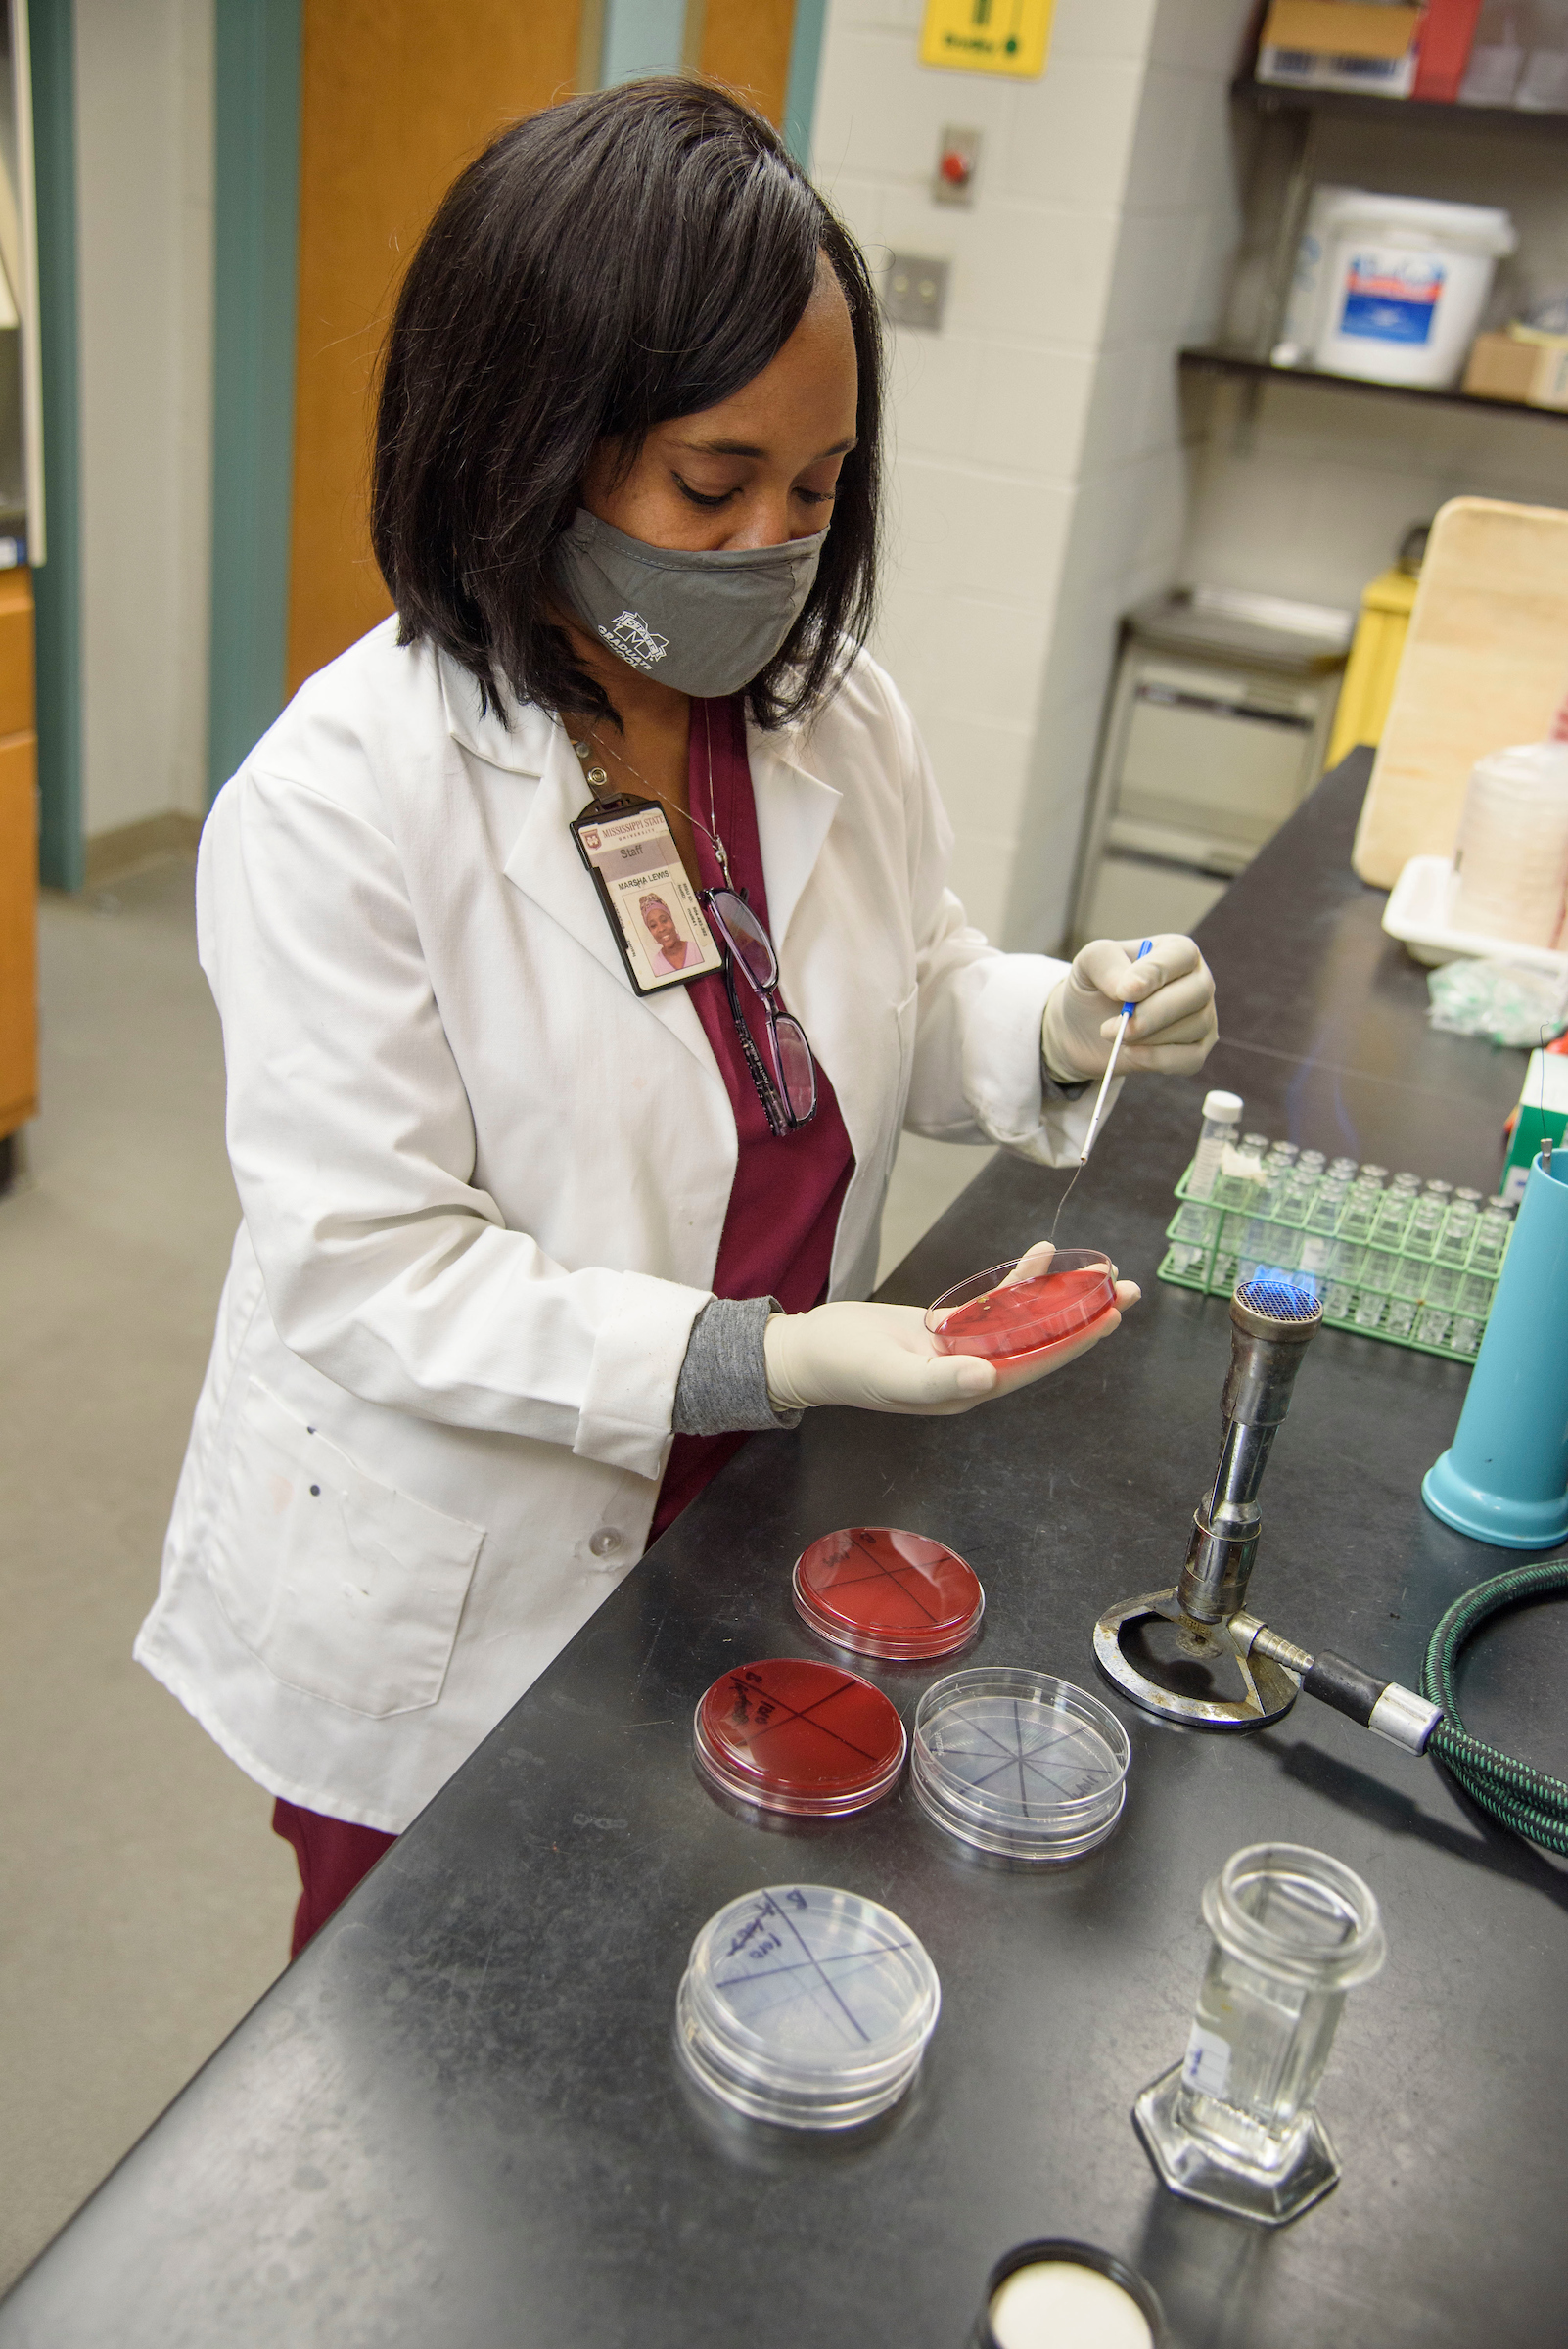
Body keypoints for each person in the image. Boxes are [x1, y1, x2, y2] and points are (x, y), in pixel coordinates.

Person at [135, 80, 1218, 1956]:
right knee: (422, 2044)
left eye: (816, 491)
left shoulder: (822, 712)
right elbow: (374, 1273)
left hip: (742, 1507)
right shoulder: (340, 800)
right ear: (525, 440)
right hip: (468, 1551)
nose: (775, 546)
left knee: (673, 1970)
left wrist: (1047, 1022)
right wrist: (766, 1359)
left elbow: (899, 988)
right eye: (714, 485)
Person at [639, 892, 696, 973]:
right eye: (653, 925)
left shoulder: (696, 950)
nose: (661, 928)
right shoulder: (656, 967)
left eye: (664, 920)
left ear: (672, 921)